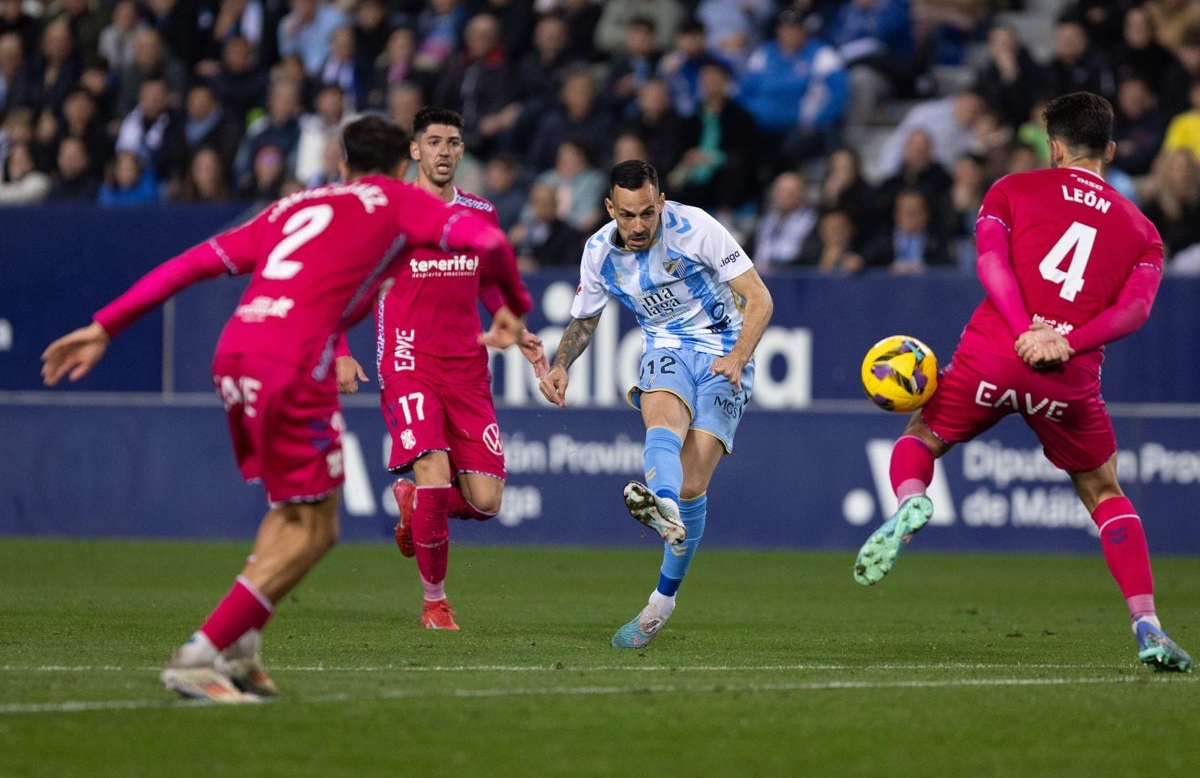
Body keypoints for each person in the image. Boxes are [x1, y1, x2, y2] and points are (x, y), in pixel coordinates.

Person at [40, 115, 533, 703]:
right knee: (317, 530)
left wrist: (104, 326)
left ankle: (243, 649)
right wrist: (517, 305)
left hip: (237, 354)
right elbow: (490, 243)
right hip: (294, 363)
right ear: (403, 166)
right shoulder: (402, 203)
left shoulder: (294, 207)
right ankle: (199, 656)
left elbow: (192, 263)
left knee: (293, 514)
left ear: (343, 165)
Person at [851, 92, 1193, 674]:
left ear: (1054, 147)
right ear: (1109, 150)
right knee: (1104, 491)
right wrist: (1065, 341)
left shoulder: (1010, 189)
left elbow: (989, 266)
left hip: (994, 354)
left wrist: (1024, 329)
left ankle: (911, 501)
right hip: (1067, 376)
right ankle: (1147, 623)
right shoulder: (1142, 230)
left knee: (924, 432)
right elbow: (1134, 314)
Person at [538, 160, 773, 649]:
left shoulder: (697, 229)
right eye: (628, 215)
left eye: (648, 212)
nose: (640, 225)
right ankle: (661, 505)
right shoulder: (599, 252)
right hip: (665, 346)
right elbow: (584, 320)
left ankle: (661, 602)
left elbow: (759, 298)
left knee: (693, 483)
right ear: (610, 209)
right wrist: (562, 365)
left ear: (661, 202)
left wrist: (738, 355)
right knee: (661, 418)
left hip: (723, 350)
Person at [335, 107, 548, 631]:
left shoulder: (480, 212)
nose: (445, 151)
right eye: (434, 142)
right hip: (407, 361)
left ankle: (413, 501)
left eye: (453, 141)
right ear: (414, 151)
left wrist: (514, 327)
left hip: (467, 368)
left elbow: (491, 282)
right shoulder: (390, 213)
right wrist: (340, 347)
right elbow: (340, 280)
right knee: (433, 468)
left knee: (486, 500)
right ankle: (435, 603)